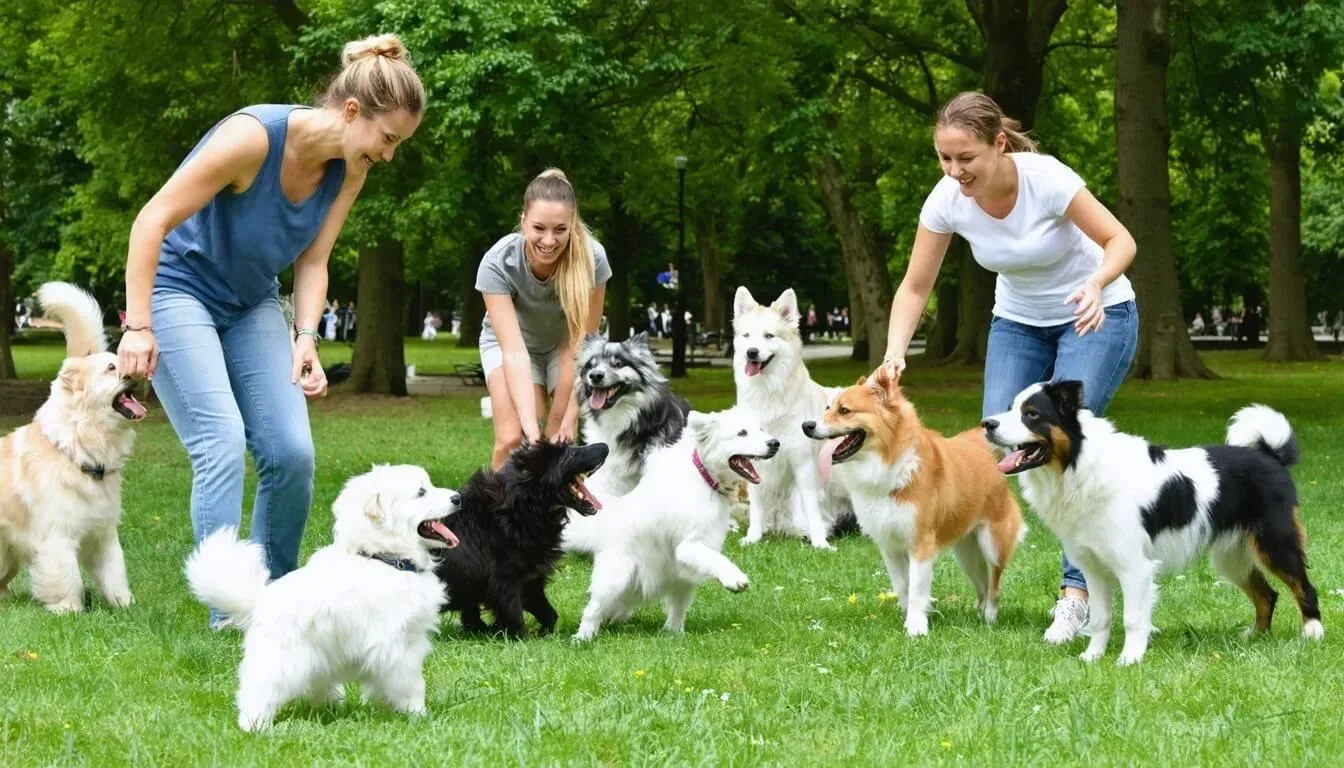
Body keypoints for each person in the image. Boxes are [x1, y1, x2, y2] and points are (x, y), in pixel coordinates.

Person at [116, 34, 424, 627]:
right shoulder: (253, 138)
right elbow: (151, 220)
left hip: (252, 299)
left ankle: (273, 605)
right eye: (388, 139)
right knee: (221, 440)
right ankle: (228, 611)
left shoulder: (350, 169)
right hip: (178, 289)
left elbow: (313, 259)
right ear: (352, 111)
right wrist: (137, 325)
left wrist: (306, 336)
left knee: (292, 452)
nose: (388, 155)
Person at [874, 91, 1138, 644]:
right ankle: (990, 564)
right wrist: (895, 351)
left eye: (965, 158)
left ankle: (1077, 598)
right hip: (1018, 321)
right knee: (997, 439)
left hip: (1096, 314)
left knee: (1065, 447)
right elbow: (915, 286)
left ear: (998, 144)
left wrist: (1096, 282)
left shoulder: (1046, 179)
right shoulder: (947, 199)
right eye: (944, 158)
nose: (954, 171)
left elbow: (1120, 240)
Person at [477, 168, 610, 470]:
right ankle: (496, 499)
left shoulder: (593, 260)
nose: (549, 241)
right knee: (513, 438)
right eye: (539, 228)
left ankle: (551, 500)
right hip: (510, 346)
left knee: (558, 439)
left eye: (560, 229)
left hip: (564, 349)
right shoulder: (498, 262)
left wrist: (567, 416)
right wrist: (532, 432)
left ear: (573, 225)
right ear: (523, 220)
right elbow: (514, 352)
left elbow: (581, 346)